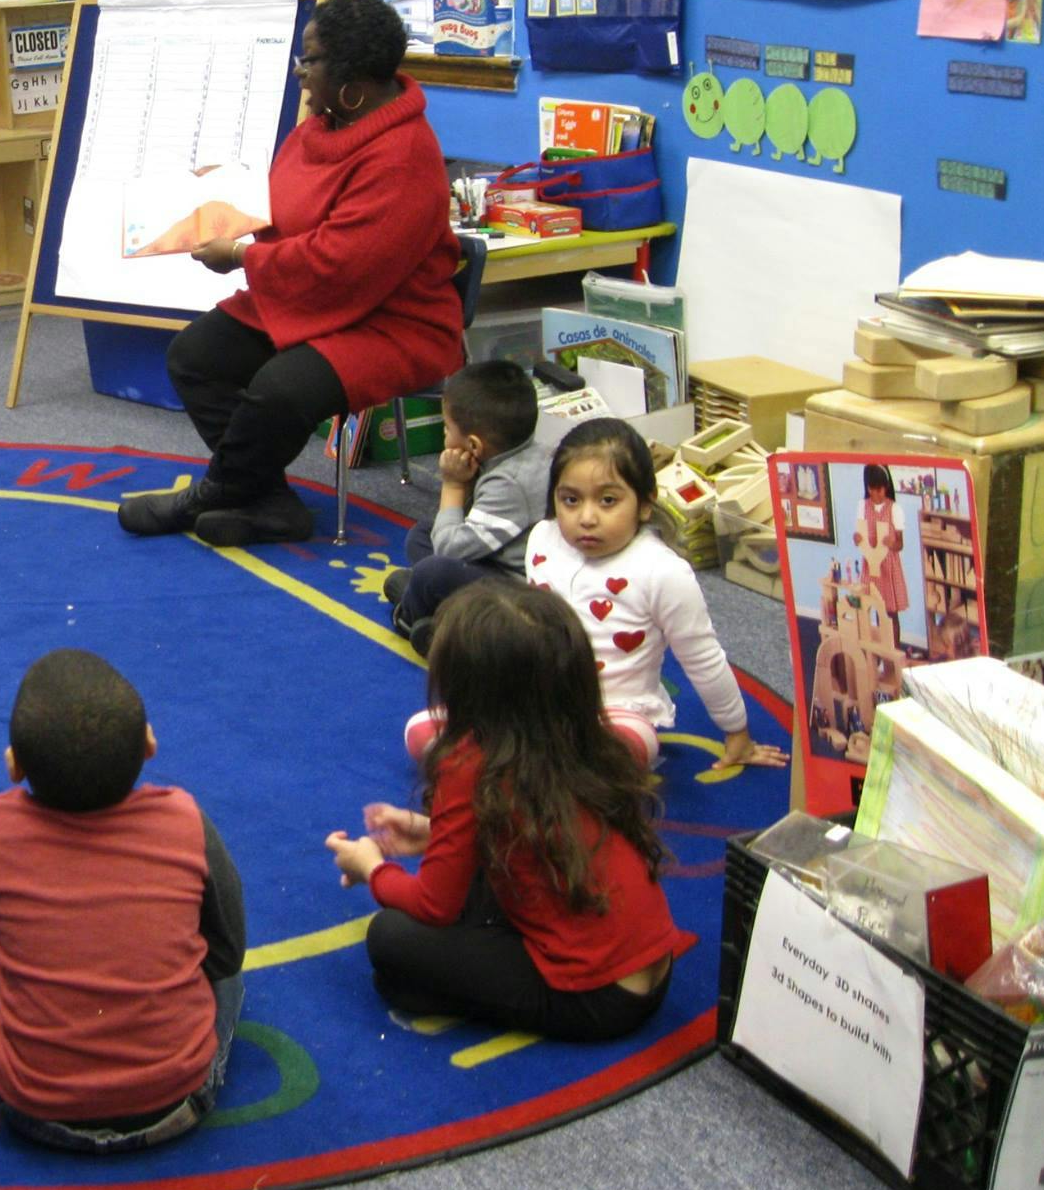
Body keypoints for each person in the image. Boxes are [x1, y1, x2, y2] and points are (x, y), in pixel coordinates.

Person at [119, 0, 463, 547]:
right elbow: (284, 205)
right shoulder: (325, 125)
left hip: (393, 319)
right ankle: (269, 501)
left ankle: (214, 492)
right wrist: (218, 196)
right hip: (314, 294)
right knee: (196, 357)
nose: (300, 71)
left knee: (280, 388)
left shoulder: (404, 157)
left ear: (352, 81)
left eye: (312, 61)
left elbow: (340, 264)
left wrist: (238, 256)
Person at [326, 584, 691, 1041]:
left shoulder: (470, 760)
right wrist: (429, 830)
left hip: (598, 1000)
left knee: (391, 939)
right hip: (654, 968)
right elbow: (533, 829)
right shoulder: (580, 734)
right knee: (447, 924)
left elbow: (434, 906)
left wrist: (371, 868)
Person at [0, 649, 245, 1153]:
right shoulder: (183, 819)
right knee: (226, 975)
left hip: (33, 1110)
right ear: (150, 744)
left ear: (14, 766)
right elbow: (227, 950)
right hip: (178, 1100)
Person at [524, 418, 788, 772]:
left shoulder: (662, 571)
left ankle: (553, 756)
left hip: (615, 712)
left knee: (628, 748)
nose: (586, 517)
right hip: (538, 699)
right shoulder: (542, 538)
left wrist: (736, 731)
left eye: (607, 500)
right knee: (429, 729)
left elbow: (703, 657)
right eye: (570, 500)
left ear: (646, 504)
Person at [384, 359, 551, 665]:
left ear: (474, 444)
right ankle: (442, 607)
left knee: (430, 571)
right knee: (421, 535)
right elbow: (466, 529)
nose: (445, 436)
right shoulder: (520, 453)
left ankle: (417, 619)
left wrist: (453, 485)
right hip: (496, 557)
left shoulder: (509, 483)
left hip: (518, 592)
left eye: (447, 428)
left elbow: (450, 550)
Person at [853, 463, 908, 650]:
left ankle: (895, 651)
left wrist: (893, 544)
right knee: (875, 607)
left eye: (882, 488)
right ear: (868, 488)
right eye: (875, 489)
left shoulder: (894, 509)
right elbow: (859, 537)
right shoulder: (863, 506)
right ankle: (880, 650)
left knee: (891, 612)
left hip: (889, 565)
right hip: (871, 562)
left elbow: (900, 543)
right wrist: (857, 538)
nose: (879, 493)